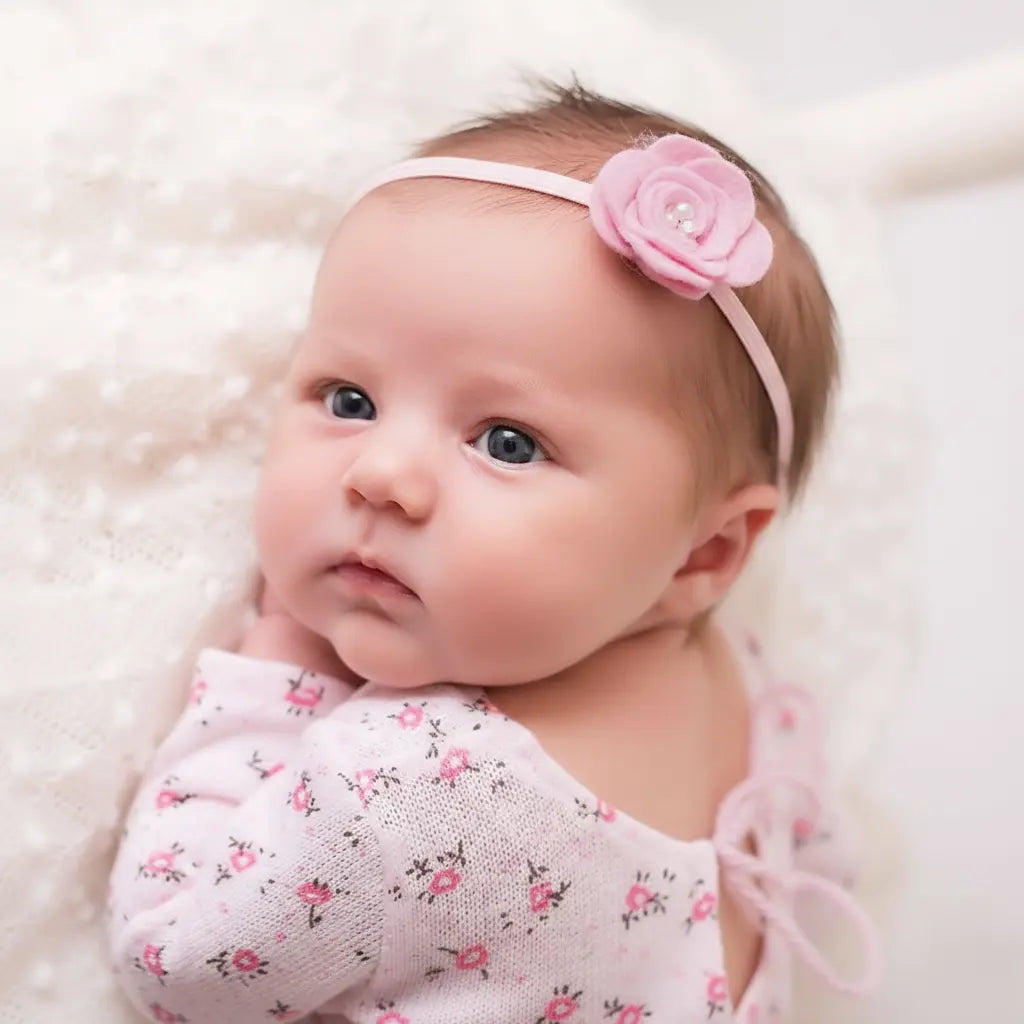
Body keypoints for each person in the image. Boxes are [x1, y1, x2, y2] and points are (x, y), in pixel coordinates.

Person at [106, 81, 879, 1024]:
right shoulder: (759, 703)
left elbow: (175, 961)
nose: (382, 474)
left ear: (702, 555)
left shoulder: (401, 795)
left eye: (507, 442)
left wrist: (273, 680)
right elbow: (819, 863)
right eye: (349, 400)